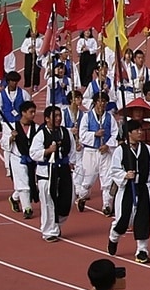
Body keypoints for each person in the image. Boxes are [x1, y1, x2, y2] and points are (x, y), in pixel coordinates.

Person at [107, 120, 150, 264]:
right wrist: (125, 175)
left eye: (140, 130)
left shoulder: (147, 149)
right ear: (129, 133)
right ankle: (114, 236)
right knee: (124, 219)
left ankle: (142, 250)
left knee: (143, 219)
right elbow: (114, 170)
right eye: (136, 131)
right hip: (127, 189)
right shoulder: (120, 151)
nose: (140, 133)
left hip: (143, 188)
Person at [31, 104, 76, 242]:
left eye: (59, 116)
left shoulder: (66, 132)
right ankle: (49, 231)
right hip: (46, 172)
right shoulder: (41, 134)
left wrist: (72, 164)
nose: (58, 119)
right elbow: (33, 153)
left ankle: (56, 223)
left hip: (63, 170)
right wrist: (48, 151)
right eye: (54, 116)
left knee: (68, 200)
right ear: (46, 119)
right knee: (48, 202)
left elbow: (72, 150)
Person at [78, 91, 118, 217]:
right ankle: (82, 197)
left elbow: (115, 134)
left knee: (107, 180)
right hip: (90, 152)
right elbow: (82, 135)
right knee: (88, 181)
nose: (102, 104)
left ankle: (107, 205)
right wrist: (94, 134)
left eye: (104, 102)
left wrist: (108, 145)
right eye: (100, 101)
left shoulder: (110, 118)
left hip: (105, 152)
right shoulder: (87, 116)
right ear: (95, 102)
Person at [7, 100, 39, 219]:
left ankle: (14, 198)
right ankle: (27, 208)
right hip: (17, 159)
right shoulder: (11, 126)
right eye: (31, 112)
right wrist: (11, 138)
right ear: (23, 113)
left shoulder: (36, 128)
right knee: (23, 183)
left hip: (32, 159)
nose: (33, 114)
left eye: (34, 112)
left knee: (31, 183)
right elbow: (4, 144)